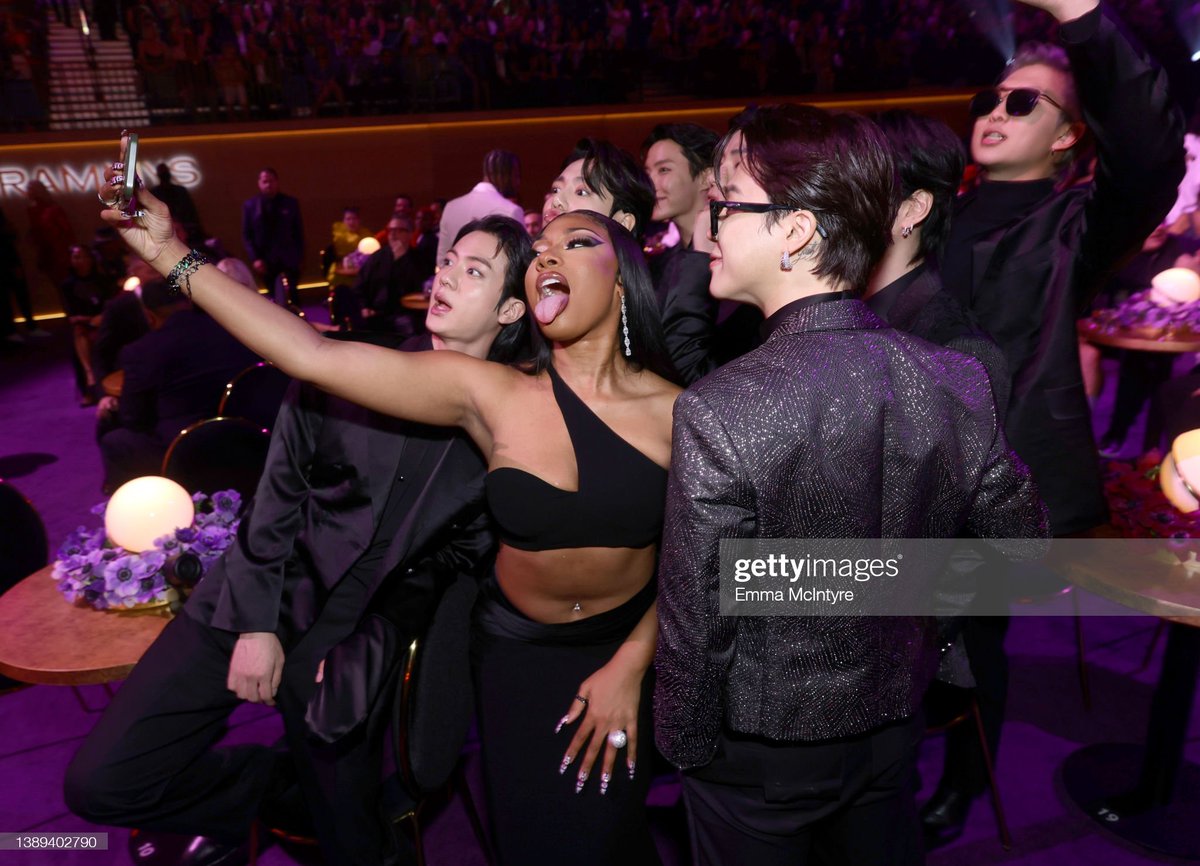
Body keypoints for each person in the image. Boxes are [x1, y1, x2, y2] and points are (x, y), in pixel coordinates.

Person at [94, 171, 680, 865]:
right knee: (525, 843)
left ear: (623, 280)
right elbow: (304, 355)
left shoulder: (682, 410)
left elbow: (718, 562)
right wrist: (168, 254)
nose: (548, 253)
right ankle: (289, 795)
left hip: (600, 651)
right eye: (541, 247)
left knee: (599, 840)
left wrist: (637, 664)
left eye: (575, 241)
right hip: (481, 649)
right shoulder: (483, 393)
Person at [66, 216, 535, 866]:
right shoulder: (346, 362)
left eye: (474, 270)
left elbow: (460, 558)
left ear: (511, 309)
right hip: (253, 594)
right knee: (101, 781)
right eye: (448, 260)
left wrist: (378, 635)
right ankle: (273, 783)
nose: (446, 275)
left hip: (350, 633)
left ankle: (312, 797)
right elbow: (275, 502)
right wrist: (257, 624)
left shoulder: (510, 425)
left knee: (355, 843)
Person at [654, 103, 1048, 865]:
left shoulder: (721, 407)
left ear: (796, 231)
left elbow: (698, 623)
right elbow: (1021, 550)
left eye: (728, 204)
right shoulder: (953, 377)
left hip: (758, 757)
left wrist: (686, 751)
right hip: (893, 726)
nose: (710, 225)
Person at [930, 0, 1184, 841]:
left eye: (1022, 102)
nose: (996, 112)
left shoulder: (1074, 224)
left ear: (1069, 136)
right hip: (905, 457)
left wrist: (1080, 15)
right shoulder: (933, 214)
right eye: (990, 100)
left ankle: (964, 782)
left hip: (1000, 473)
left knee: (967, 632)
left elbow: (1148, 154)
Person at [96, 278, 260, 491]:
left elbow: (134, 419)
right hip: (248, 436)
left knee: (113, 438)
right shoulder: (234, 330)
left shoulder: (141, 351)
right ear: (189, 301)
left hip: (187, 451)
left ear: (149, 316)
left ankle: (150, 506)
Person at [641, 122, 723, 384]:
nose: (651, 183)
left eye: (664, 170)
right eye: (647, 172)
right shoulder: (658, 265)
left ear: (705, 176)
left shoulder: (732, 259)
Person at [436, 149, 525, 265]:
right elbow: (518, 263)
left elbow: (442, 260)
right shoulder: (511, 210)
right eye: (516, 176)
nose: (518, 182)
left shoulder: (451, 207)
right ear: (505, 175)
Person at [339, 212, 425, 332]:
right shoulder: (377, 257)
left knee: (407, 325)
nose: (393, 234)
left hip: (405, 313)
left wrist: (400, 260)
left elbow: (418, 289)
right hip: (376, 314)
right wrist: (364, 307)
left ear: (410, 234)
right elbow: (359, 285)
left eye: (399, 230)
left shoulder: (418, 259)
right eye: (390, 230)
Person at [60, 244, 118, 406]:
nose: (81, 261)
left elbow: (112, 305)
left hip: (105, 320)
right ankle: (89, 376)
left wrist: (100, 317)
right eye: (76, 257)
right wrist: (89, 319)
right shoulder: (67, 285)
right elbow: (71, 315)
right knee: (79, 332)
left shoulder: (103, 280)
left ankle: (105, 382)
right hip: (84, 323)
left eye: (84, 257)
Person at [241, 167, 305, 306]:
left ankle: (297, 318)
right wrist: (255, 258)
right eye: (265, 181)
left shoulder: (290, 203)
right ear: (259, 183)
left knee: (293, 295)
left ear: (277, 182)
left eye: (271, 181)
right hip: (265, 260)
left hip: (289, 258)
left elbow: (298, 232)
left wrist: (299, 256)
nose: (268, 184)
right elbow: (247, 235)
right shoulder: (250, 206)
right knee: (273, 297)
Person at [151, 162, 204, 244]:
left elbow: (190, 211)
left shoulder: (179, 191)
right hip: (168, 229)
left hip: (183, 229)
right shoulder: (156, 193)